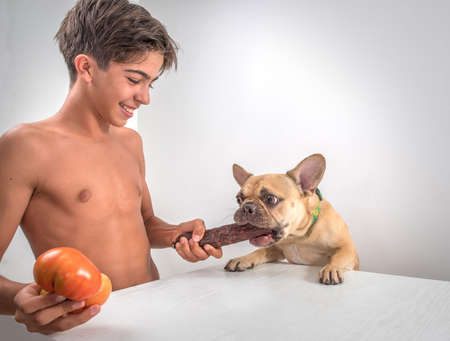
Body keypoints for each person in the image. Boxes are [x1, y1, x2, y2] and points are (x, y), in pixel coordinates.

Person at [0, 0, 222, 334]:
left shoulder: (131, 142)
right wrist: (21, 298)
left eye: (151, 83)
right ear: (86, 68)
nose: (145, 97)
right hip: (89, 329)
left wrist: (176, 234)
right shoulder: (25, 146)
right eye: (135, 79)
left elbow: (144, 224)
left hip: (158, 313)